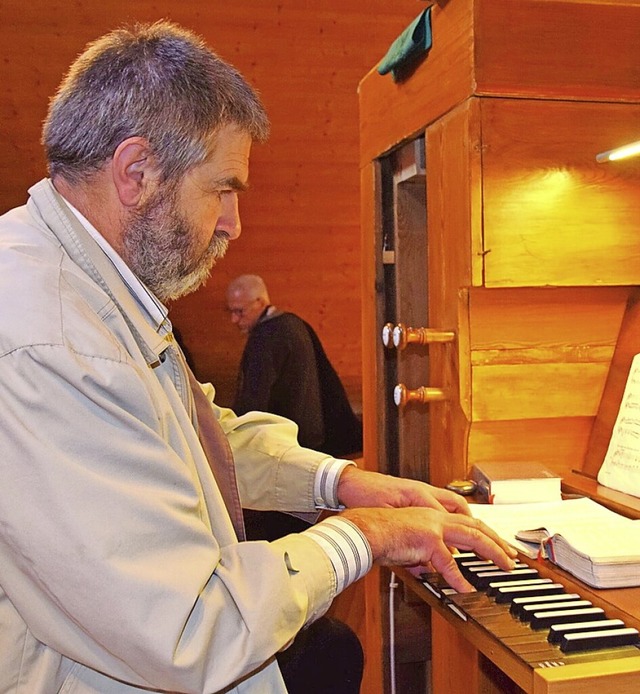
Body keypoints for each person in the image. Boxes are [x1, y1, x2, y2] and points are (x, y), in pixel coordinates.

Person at [0, 20, 517, 694]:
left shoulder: (89, 285)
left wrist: (340, 483)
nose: (232, 224)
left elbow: (198, 436)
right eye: (223, 188)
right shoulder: (54, 341)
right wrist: (365, 536)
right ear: (136, 172)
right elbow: (187, 629)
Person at [226, 273, 363, 457]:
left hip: (289, 445)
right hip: (316, 438)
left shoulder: (265, 337)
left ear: (260, 302)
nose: (234, 320)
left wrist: (237, 440)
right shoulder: (295, 324)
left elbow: (253, 401)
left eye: (240, 311)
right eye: (231, 312)